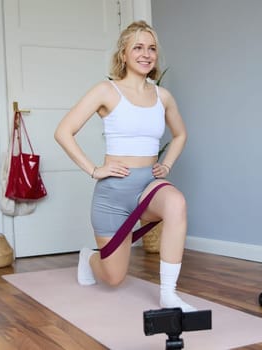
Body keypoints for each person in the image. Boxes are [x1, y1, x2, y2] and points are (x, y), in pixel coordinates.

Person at [54, 20, 195, 312]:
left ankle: (169, 294)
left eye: (152, 48)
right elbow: (63, 131)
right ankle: (88, 258)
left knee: (177, 203)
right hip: (114, 196)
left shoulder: (162, 96)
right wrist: (94, 170)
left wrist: (166, 165)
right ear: (124, 55)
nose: (146, 54)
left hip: (149, 186)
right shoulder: (106, 91)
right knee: (113, 278)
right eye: (138, 47)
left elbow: (180, 134)